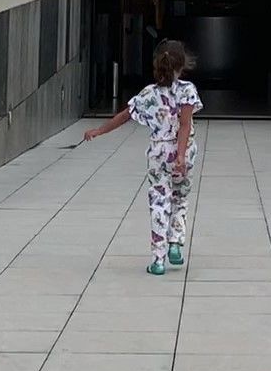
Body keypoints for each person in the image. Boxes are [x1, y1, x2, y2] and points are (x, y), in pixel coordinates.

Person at [84, 39, 202, 275]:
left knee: (159, 202)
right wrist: (180, 155)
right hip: (183, 152)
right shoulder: (187, 90)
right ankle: (176, 243)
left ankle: (158, 260)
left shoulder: (148, 94)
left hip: (158, 153)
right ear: (182, 65)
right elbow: (185, 125)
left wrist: (99, 130)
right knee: (180, 197)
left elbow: (124, 116)